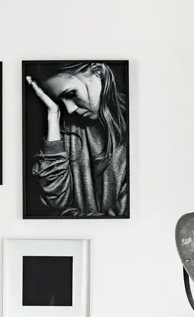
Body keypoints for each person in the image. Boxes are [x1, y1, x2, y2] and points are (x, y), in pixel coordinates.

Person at [25, 62, 128, 217]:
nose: (70, 109)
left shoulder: (140, 126)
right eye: (60, 101)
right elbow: (57, 203)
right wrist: (53, 115)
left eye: (71, 94)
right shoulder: (69, 130)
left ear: (98, 72)